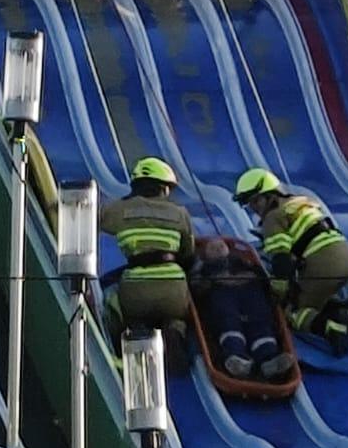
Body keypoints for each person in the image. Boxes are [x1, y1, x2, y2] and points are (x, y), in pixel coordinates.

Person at [234, 169, 348, 354]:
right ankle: (347, 310)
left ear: (271, 196)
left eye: (256, 200)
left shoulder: (272, 218)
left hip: (324, 264)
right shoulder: (300, 204)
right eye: (248, 203)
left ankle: (333, 330)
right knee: (314, 293)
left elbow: (281, 259)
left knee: (294, 311)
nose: (254, 207)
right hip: (347, 257)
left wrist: (278, 290)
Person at [100, 157, 195, 336]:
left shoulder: (119, 210)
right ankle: (176, 340)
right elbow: (188, 253)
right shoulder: (180, 213)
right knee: (175, 325)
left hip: (136, 288)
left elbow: (90, 220)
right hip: (173, 289)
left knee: (132, 323)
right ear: (164, 187)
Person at [192, 238, 295, 381]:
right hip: (223, 296)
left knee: (260, 322)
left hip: (250, 293)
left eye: (220, 245)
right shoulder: (204, 269)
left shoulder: (244, 263)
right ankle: (236, 358)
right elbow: (197, 289)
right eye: (212, 247)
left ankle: (268, 358)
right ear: (205, 254)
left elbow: (263, 279)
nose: (217, 248)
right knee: (228, 322)